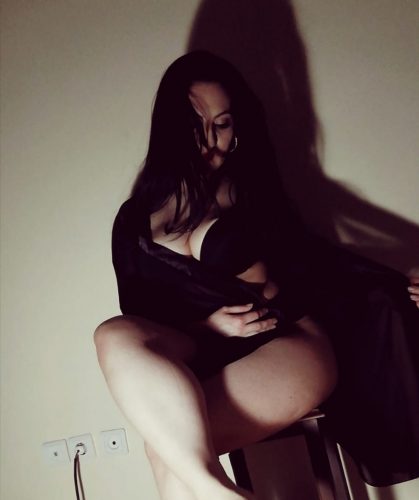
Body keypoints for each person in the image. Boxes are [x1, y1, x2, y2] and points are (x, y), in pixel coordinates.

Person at [94, 51, 419, 499]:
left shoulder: (248, 194)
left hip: (284, 343)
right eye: (195, 122)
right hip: (200, 347)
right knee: (112, 334)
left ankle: (217, 493)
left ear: (237, 130)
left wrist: (400, 280)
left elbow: (319, 264)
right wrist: (209, 327)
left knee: (168, 451)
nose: (210, 140)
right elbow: (143, 319)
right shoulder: (134, 220)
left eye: (223, 123)